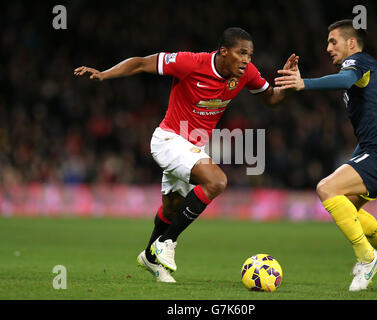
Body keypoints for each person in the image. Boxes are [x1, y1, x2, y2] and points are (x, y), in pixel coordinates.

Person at [75, 27, 296, 282]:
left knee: (172, 209)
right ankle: (167, 242)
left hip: (193, 147)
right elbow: (141, 64)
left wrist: (290, 84)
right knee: (217, 181)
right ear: (223, 51)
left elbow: (271, 98)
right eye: (242, 53)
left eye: (250, 54)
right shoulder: (190, 62)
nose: (247, 59)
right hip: (168, 139)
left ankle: (149, 256)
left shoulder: (247, 73)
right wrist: (104, 74)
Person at [275, 19, 377, 291]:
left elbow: (345, 79)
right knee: (348, 208)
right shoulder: (364, 71)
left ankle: (367, 258)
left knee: (326, 188)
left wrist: (303, 83)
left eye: (333, 41)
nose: (328, 47)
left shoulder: (360, 62)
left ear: (351, 43)